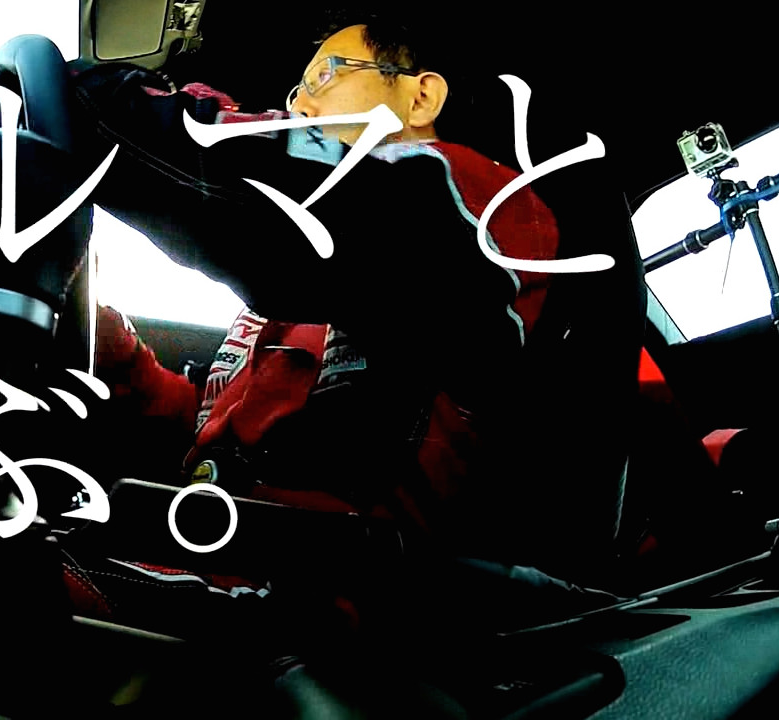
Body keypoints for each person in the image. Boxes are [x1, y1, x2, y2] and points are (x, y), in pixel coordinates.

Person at [74, 12, 560, 544]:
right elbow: (212, 429)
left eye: (325, 75)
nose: (299, 107)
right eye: (295, 91)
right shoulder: (301, 285)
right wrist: (118, 352)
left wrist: (96, 98)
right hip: (220, 541)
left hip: (342, 571)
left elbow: (286, 181)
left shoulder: (484, 209)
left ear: (421, 97)